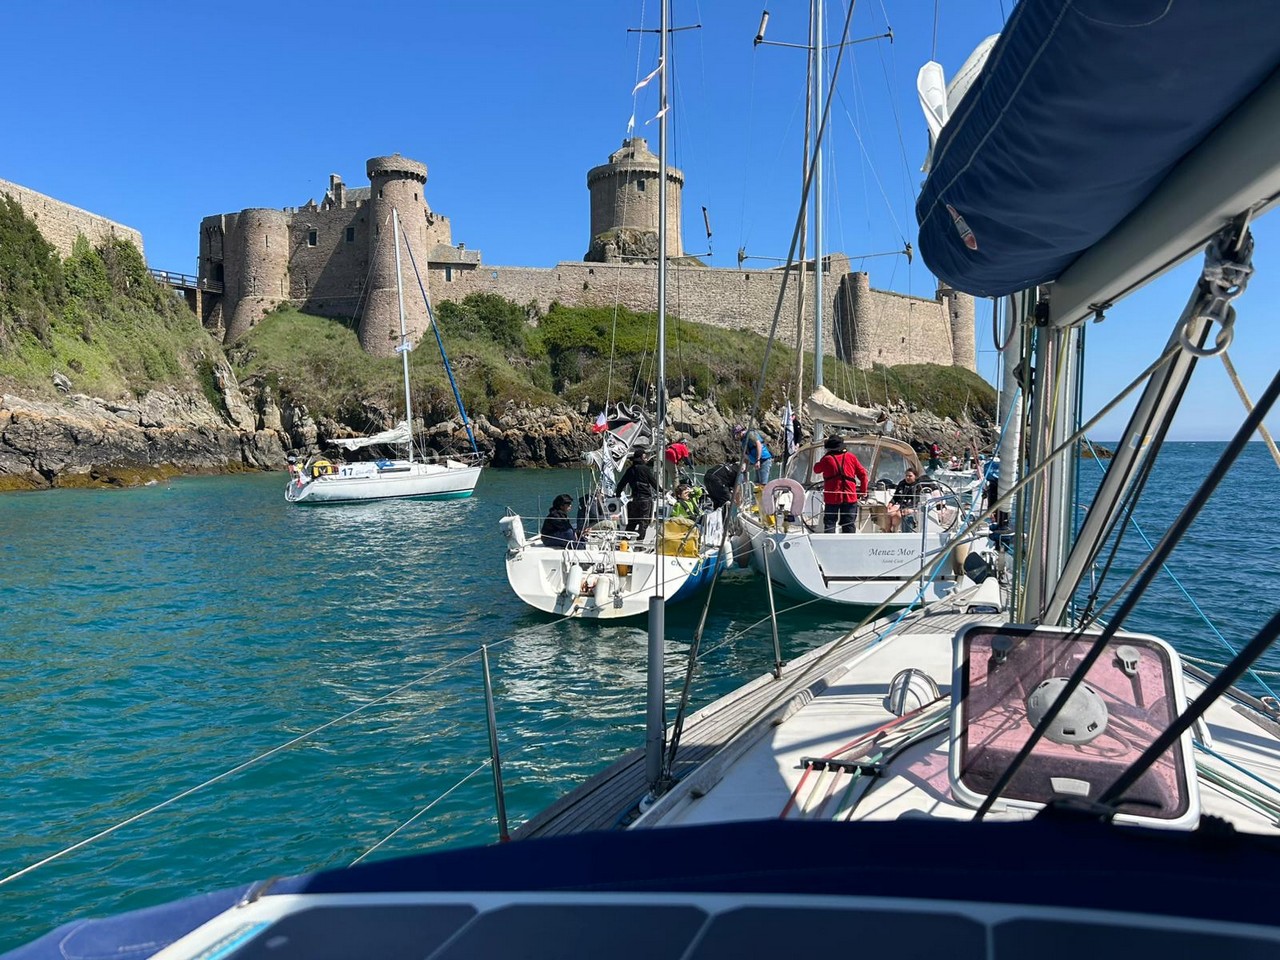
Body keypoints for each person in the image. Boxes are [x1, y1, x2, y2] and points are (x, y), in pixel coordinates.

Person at [813, 435, 868, 534]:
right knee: (849, 523)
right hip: (850, 495)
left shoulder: (827, 459)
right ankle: (849, 544)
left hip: (832, 496)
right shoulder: (851, 457)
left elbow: (816, 469)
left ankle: (829, 544)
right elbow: (863, 475)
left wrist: (825, 456)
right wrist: (863, 491)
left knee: (830, 522)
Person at [617, 448, 658, 538]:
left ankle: (625, 542)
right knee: (643, 522)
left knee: (632, 522)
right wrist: (661, 490)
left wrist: (617, 494)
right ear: (642, 457)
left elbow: (621, 484)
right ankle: (639, 544)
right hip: (645, 500)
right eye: (645, 457)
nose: (646, 458)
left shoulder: (630, 470)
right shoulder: (645, 469)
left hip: (635, 499)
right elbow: (653, 482)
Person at [887, 468, 922, 533]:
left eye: (910, 476)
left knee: (898, 514)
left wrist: (908, 508)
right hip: (900, 504)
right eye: (906, 476)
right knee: (889, 512)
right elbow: (896, 496)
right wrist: (891, 503)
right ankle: (888, 531)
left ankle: (895, 530)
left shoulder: (918, 486)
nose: (907, 477)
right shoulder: (902, 483)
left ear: (915, 476)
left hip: (911, 505)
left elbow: (917, 500)